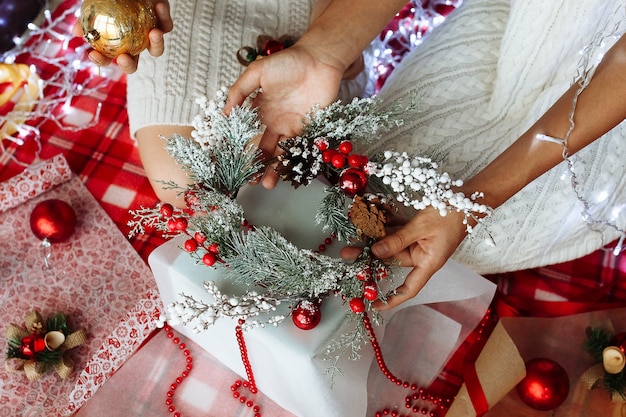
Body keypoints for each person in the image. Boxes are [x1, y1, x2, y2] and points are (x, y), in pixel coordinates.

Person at [224, 0, 626, 310]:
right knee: (378, 167)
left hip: (613, 94)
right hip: (531, 22)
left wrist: (473, 202)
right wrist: (323, 52)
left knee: (465, 241)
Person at [75, 0, 366, 206]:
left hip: (313, 12)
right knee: (181, 180)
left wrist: (331, 41)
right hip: (184, 14)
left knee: (274, 189)